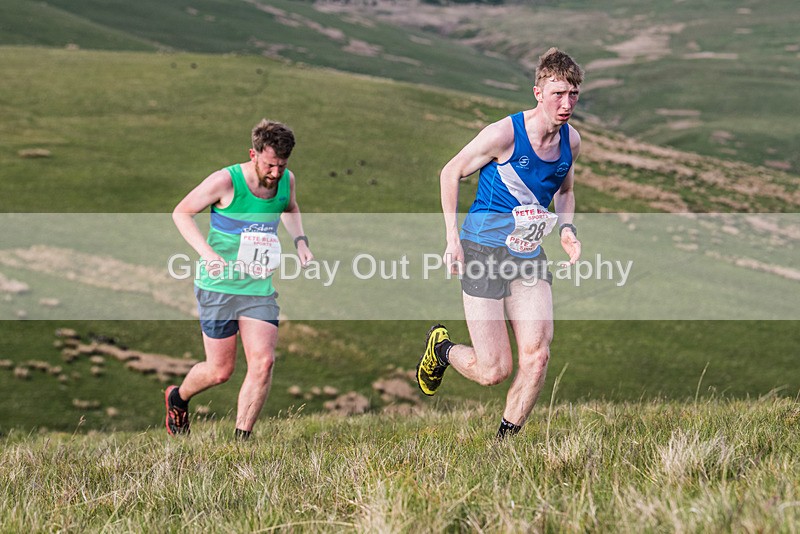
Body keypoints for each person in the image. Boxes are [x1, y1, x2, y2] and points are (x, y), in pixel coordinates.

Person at [416, 48, 583, 439]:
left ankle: (504, 444)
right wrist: (451, 239)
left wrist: (567, 230)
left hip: (527, 253)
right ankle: (441, 350)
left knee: (537, 356)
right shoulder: (505, 134)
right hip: (481, 250)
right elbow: (450, 171)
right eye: (558, 93)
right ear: (538, 92)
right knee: (494, 371)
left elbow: (566, 190)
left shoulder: (571, 142)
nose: (567, 103)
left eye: (573, 94)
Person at [166, 118, 313, 440]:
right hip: (218, 286)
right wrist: (207, 253)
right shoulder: (226, 181)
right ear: (253, 154)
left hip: (258, 288)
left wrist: (301, 243)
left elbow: (289, 207)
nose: (276, 173)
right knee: (220, 371)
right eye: (270, 165)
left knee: (263, 363)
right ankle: (178, 398)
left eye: (282, 165)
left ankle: (240, 442)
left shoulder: (286, 180)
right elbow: (181, 212)